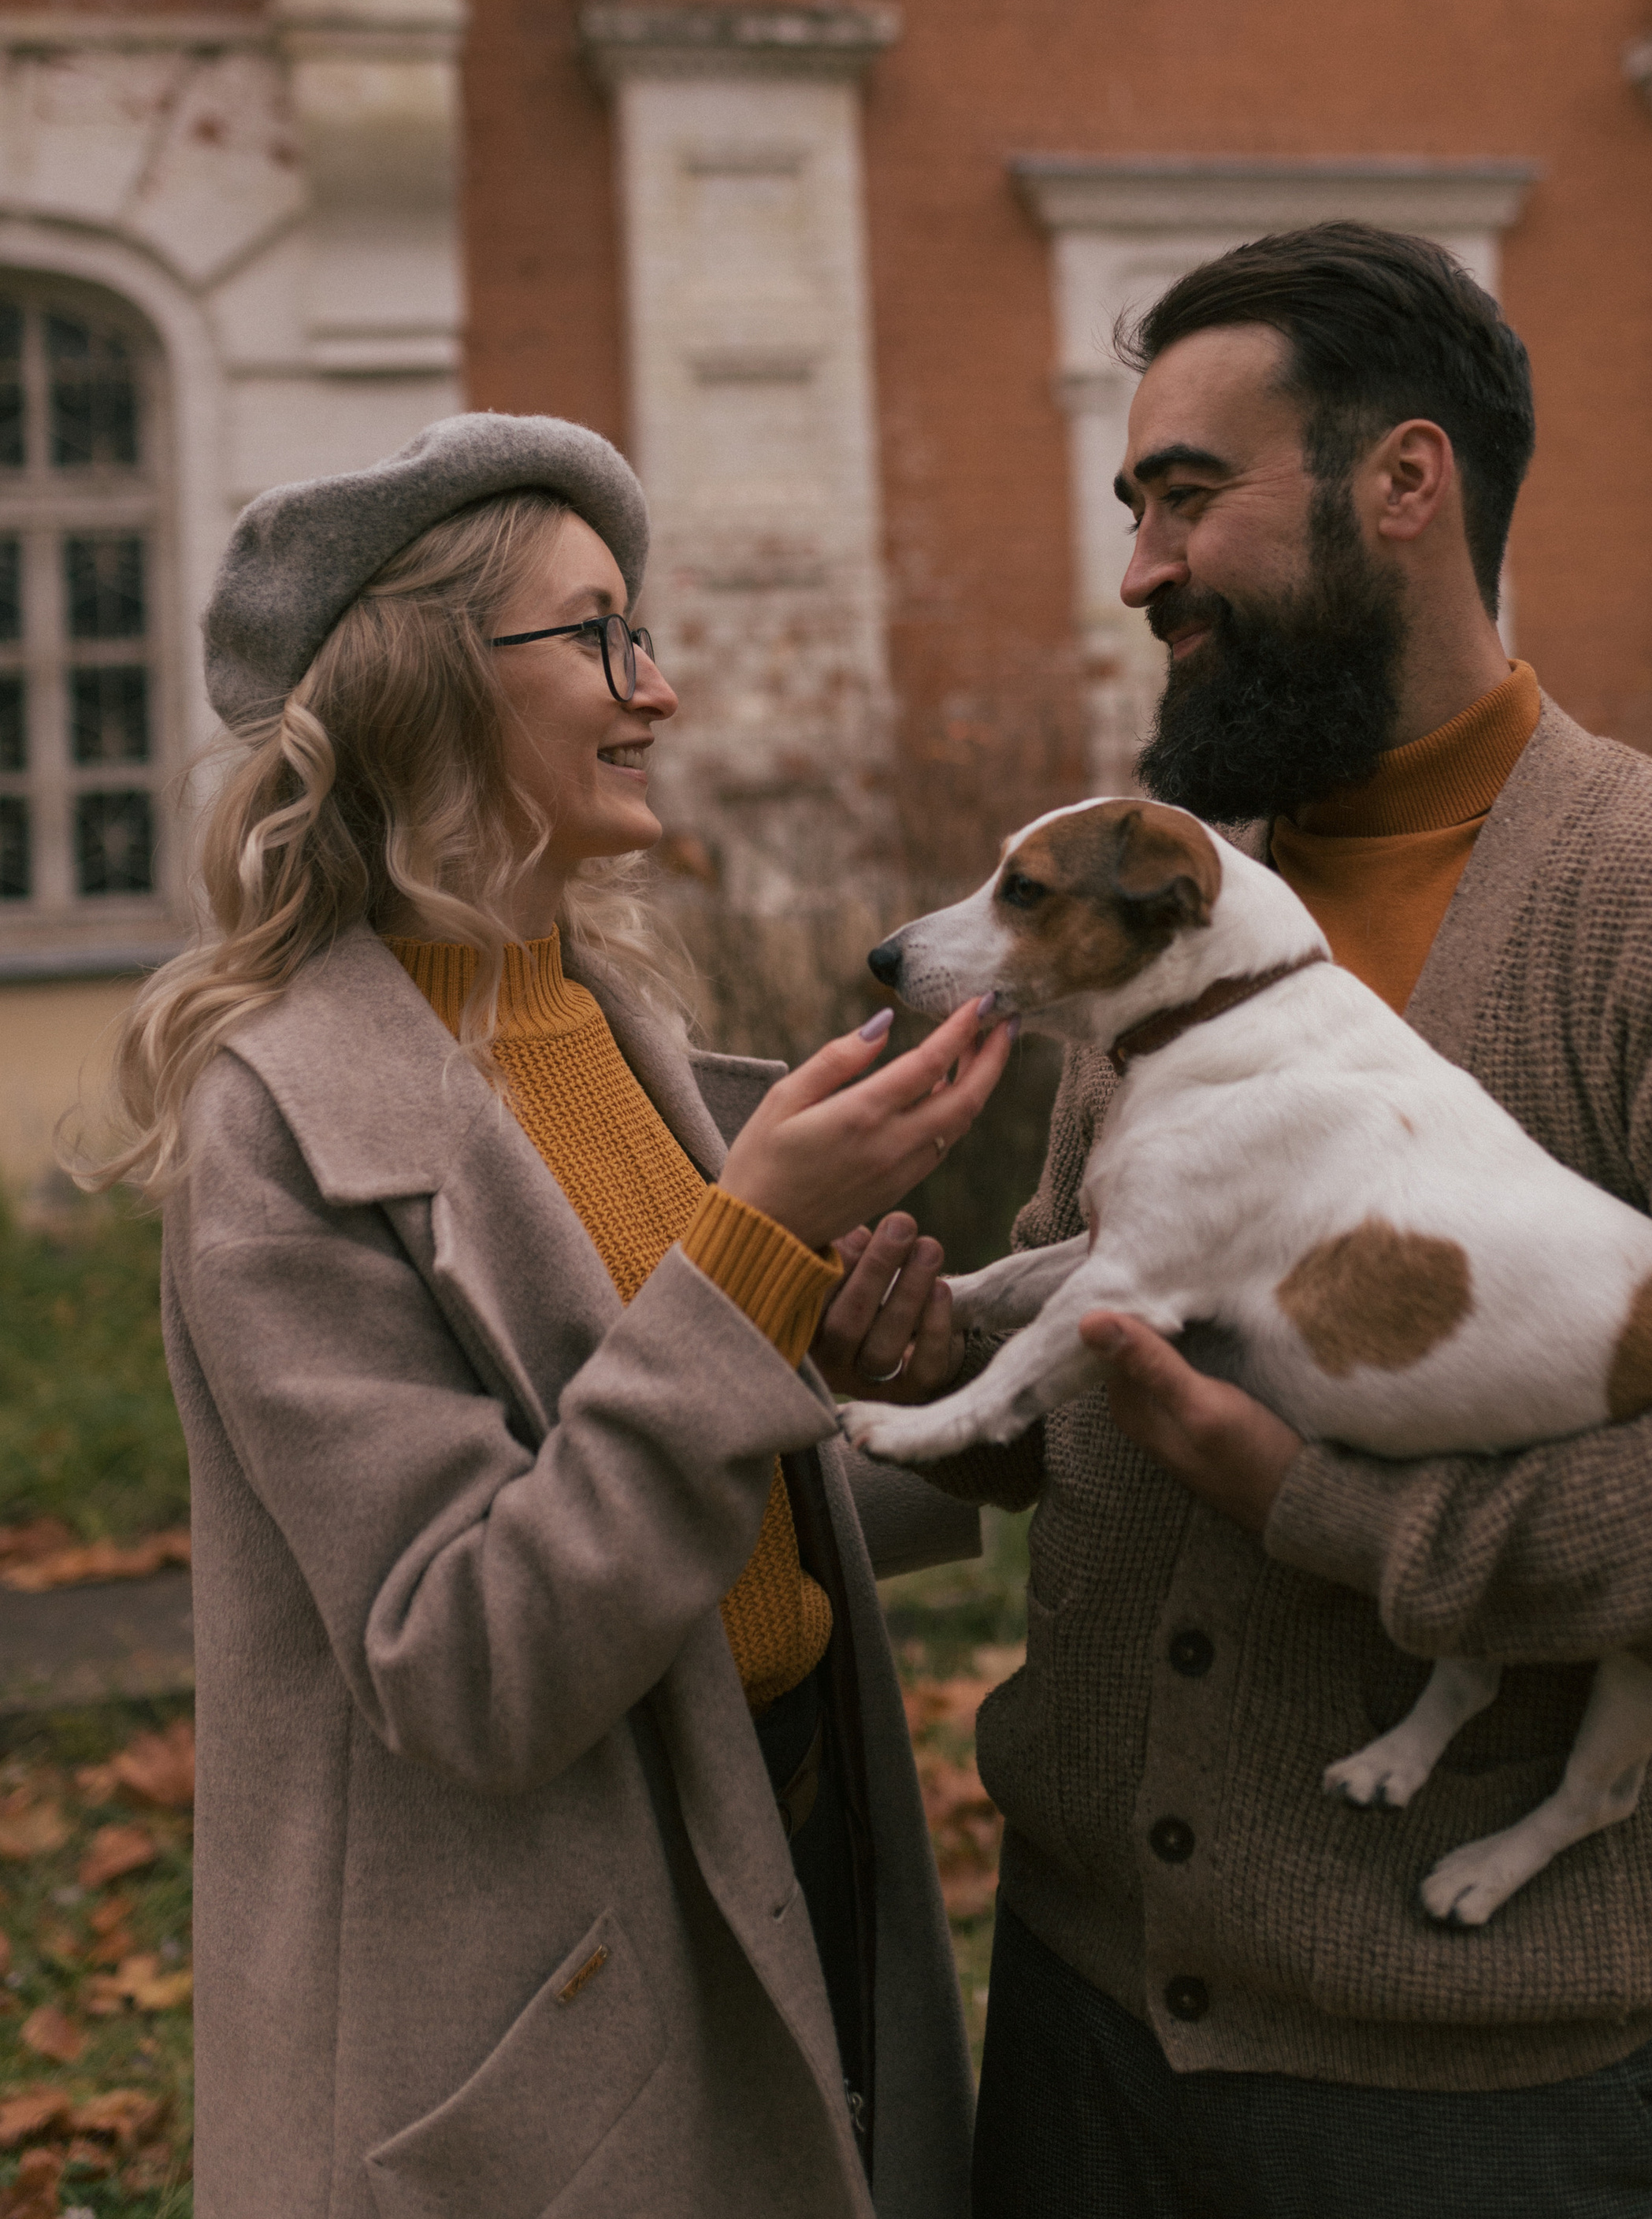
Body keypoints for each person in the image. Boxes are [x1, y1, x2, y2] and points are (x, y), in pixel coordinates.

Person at [853, 224, 1652, 2218]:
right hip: (1070, 2035)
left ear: (1405, 484)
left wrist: (1368, 1527)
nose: (1136, 571)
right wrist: (948, 1355)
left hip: (1466, 2117)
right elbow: (1138, 1384)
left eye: (1185, 498)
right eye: (1130, 507)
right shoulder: (1164, 918)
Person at [102, 412, 1011, 2219]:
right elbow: (472, 1659)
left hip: (788, 1841)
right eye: (597, 634)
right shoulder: (278, 1118)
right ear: (422, 682)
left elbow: (697, 1485)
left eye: (641, 631)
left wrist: (878, 1383)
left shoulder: (622, 1037)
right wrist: (750, 1262)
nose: (653, 688)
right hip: (539, 2005)